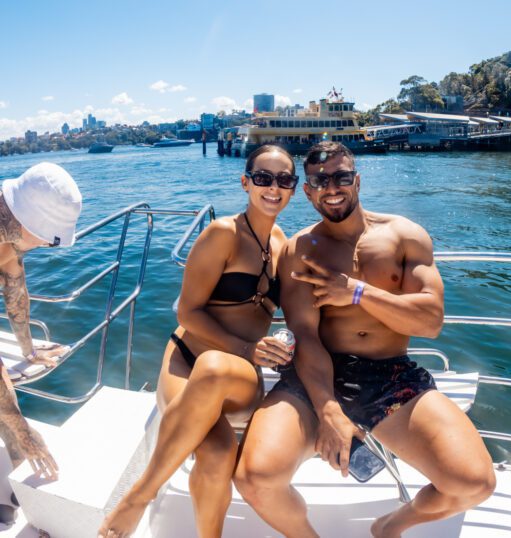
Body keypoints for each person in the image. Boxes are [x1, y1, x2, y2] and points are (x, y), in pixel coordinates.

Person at [235, 141, 496, 538]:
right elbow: (306, 337)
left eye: (341, 177)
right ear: (307, 190)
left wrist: (356, 292)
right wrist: (329, 411)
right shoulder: (301, 250)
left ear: (356, 180)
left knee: (474, 483)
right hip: (316, 376)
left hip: (389, 374)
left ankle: (388, 527)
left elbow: (430, 321)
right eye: (320, 180)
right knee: (254, 479)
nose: (332, 187)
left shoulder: (404, 236)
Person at [99, 145, 297, 538]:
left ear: (292, 188)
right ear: (246, 183)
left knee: (215, 368)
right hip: (186, 359)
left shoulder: (283, 245)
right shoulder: (221, 233)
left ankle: (139, 495)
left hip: (237, 372)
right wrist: (247, 347)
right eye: (263, 178)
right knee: (218, 451)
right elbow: (188, 313)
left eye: (284, 180)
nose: (273, 188)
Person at [0, 162, 82, 518]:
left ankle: (20, 502)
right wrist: (24, 430)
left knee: (9, 409)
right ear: (24, 224)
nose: (49, 244)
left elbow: (16, 290)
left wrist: (28, 348)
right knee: (13, 417)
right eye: (48, 237)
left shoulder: (9, 236)